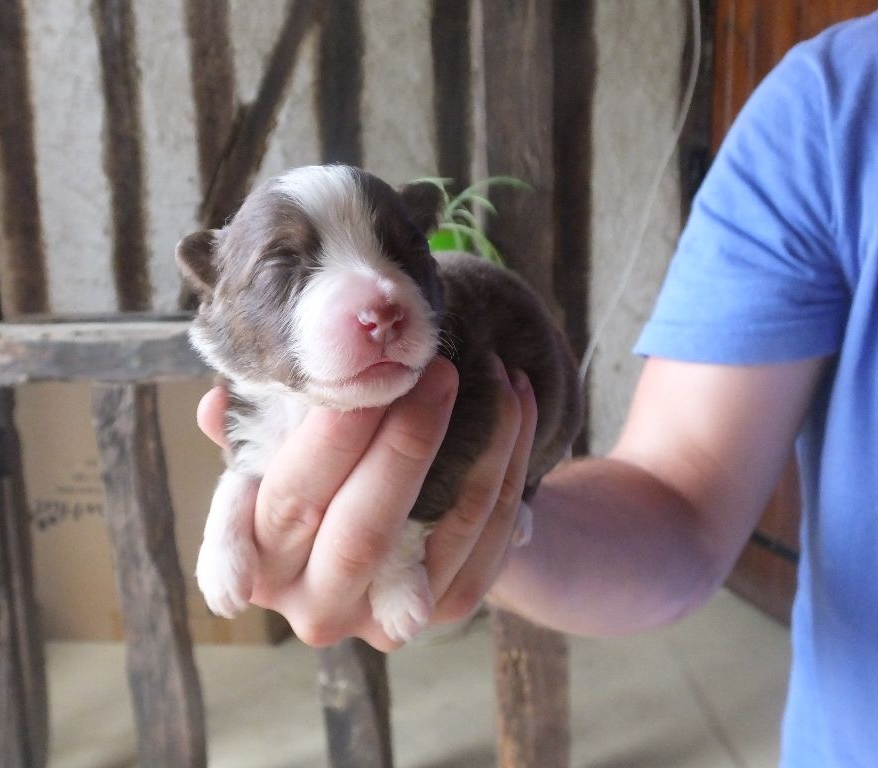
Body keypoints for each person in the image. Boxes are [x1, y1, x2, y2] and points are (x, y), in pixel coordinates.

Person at [197, 12, 877, 766]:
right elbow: (682, 503)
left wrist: (469, 518)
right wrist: (484, 538)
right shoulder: (834, 101)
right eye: (288, 270)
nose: (378, 295)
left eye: (397, 253)